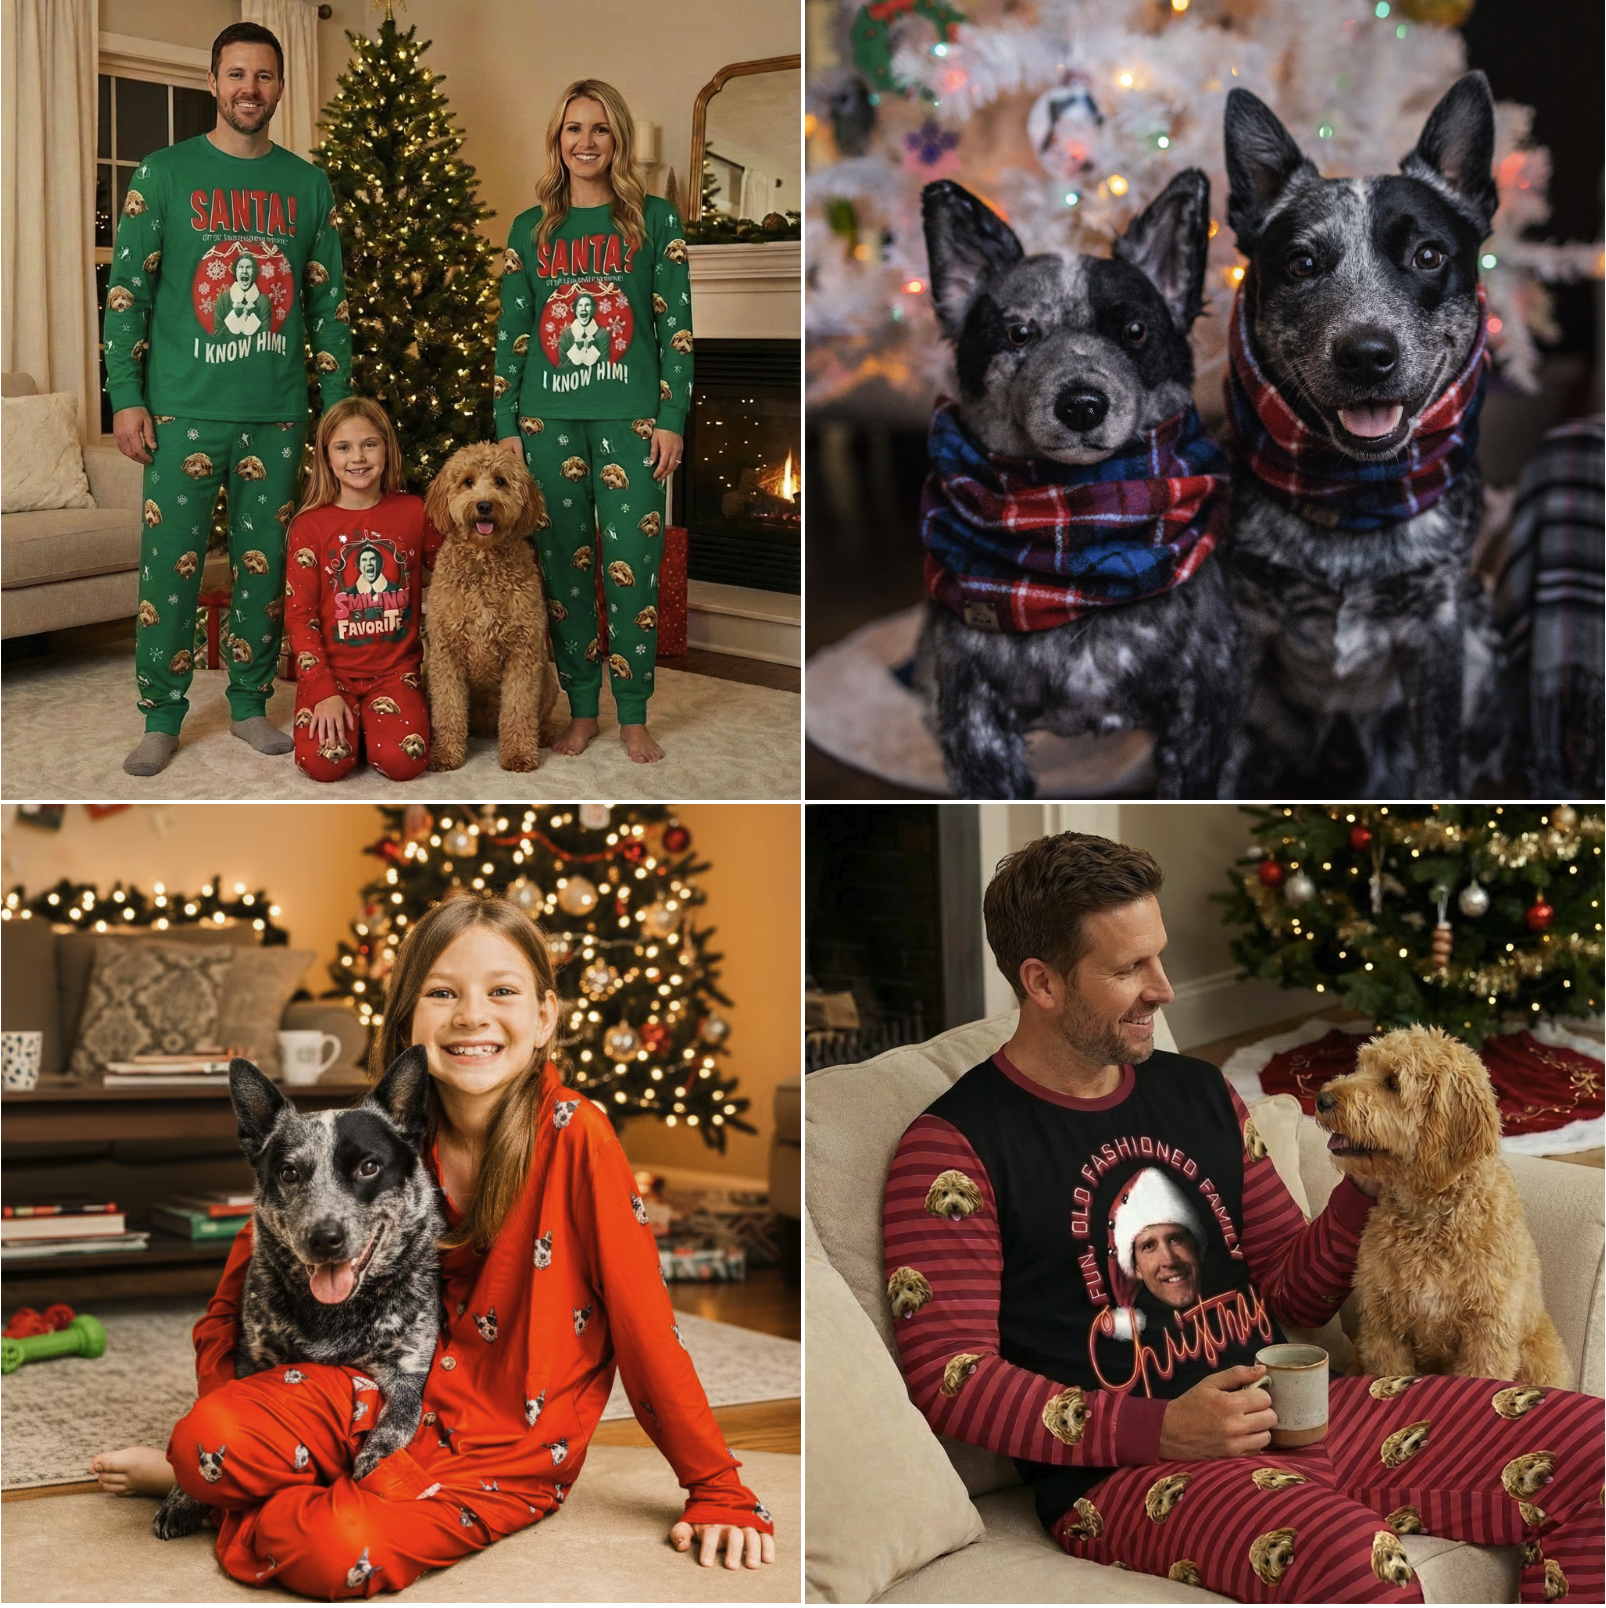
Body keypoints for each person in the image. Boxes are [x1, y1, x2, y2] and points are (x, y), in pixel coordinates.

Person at [883, 831, 1603, 1603]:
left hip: (1299, 1411)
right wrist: (1158, 1430)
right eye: (1130, 969)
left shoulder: (1202, 1094)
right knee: (1357, 1565)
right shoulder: (951, 1149)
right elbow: (952, 1377)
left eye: (1157, 956)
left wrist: (1372, 1173)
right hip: (1130, 1477)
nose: (1164, 989)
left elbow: (1292, 1292)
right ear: (1043, 982)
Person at [90, 896, 776, 1596]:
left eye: (502, 992)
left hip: (501, 1444)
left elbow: (643, 1326)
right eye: (443, 992)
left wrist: (716, 1487)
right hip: (357, 1396)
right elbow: (232, 1304)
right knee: (204, 1439)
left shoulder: (577, 1137)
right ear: (406, 1025)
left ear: (545, 1018)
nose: (472, 1015)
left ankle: (242, 1492)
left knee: (333, 1551)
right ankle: (224, 1474)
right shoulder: (360, 1139)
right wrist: (212, 1442)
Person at [105, 20, 351, 778]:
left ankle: (248, 705)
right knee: (169, 568)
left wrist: (338, 415)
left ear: (280, 87)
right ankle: (161, 715)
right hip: (181, 409)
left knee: (265, 566)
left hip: (276, 413)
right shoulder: (162, 174)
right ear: (213, 84)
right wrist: (127, 396)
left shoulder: (307, 185)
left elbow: (328, 310)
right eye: (237, 75)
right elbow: (128, 297)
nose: (250, 88)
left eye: (264, 76)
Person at [495, 77, 693, 766]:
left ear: (618, 141)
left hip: (631, 423)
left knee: (632, 573)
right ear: (558, 140)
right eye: (573, 128)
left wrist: (671, 417)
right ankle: (582, 710)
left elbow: (678, 332)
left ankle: (633, 714)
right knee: (565, 573)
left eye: (600, 129)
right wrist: (506, 424)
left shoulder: (655, 221)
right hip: (546, 422)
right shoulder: (531, 230)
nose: (586, 142)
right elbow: (512, 335)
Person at [282, 396, 437, 783]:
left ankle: (377, 724)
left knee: (406, 764)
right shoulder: (309, 526)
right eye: (343, 447)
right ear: (326, 456)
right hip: (332, 676)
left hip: (396, 673)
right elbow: (300, 618)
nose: (358, 458)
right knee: (322, 765)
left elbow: (459, 568)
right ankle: (357, 722)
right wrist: (321, 690)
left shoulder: (415, 512)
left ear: (387, 448)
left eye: (369, 444)